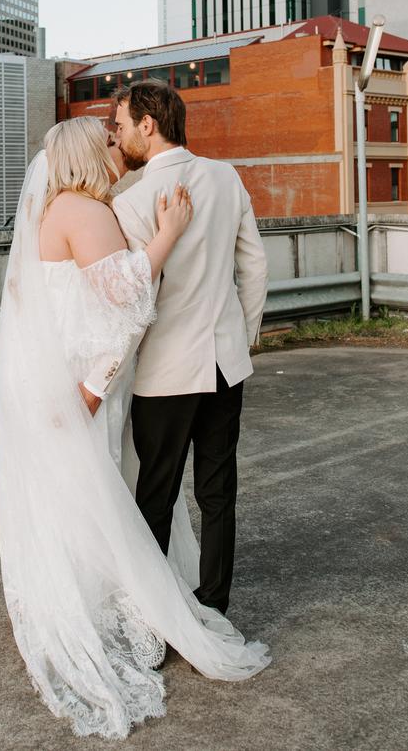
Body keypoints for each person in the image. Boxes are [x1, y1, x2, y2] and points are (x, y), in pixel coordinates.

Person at [0, 116, 269, 741]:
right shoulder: (83, 211)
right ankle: (113, 608)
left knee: (83, 495)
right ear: (92, 153)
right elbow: (125, 293)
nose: (122, 147)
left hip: (74, 380)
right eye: (111, 142)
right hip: (84, 386)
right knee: (95, 496)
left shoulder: (67, 208)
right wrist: (167, 234)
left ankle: (83, 596)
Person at [111, 80, 269, 617]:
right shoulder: (227, 178)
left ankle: (157, 623)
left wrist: (113, 372)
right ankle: (214, 606)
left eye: (121, 123)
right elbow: (255, 266)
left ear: (147, 125)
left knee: (155, 494)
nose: (118, 134)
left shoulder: (130, 202)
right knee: (218, 491)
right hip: (227, 363)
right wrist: (240, 336)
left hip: (166, 372)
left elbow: (138, 298)